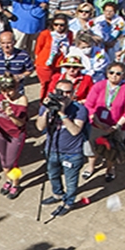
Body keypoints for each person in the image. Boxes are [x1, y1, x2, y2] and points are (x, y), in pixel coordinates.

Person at [38, 78, 88, 217]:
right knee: (52, 175)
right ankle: (57, 194)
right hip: (52, 149)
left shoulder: (79, 109)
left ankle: (68, 202)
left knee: (71, 181)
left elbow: (75, 130)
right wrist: (47, 111)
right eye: (61, 92)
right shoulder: (48, 106)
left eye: (68, 92)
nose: (64, 95)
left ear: (73, 93)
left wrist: (62, 113)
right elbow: (40, 126)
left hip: (72, 153)